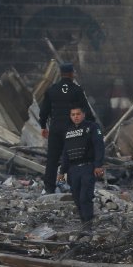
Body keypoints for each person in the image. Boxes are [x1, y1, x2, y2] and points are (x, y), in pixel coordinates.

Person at [38, 62, 93, 194]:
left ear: (61, 74)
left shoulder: (52, 90)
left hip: (55, 129)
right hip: (72, 130)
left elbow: (44, 111)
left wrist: (43, 126)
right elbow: (86, 111)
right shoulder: (77, 90)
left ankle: (49, 187)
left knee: (52, 159)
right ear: (71, 74)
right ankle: (72, 185)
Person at [58, 106, 106, 228]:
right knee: (76, 198)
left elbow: (99, 146)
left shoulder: (92, 127)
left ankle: (88, 226)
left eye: (78, 114)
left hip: (88, 168)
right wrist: (62, 172)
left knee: (85, 197)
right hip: (73, 170)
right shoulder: (68, 131)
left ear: (83, 115)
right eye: (73, 114)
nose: (76, 117)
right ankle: (84, 223)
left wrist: (98, 165)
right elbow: (66, 153)